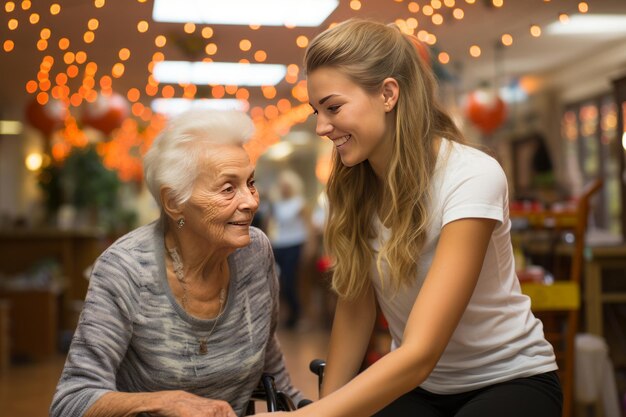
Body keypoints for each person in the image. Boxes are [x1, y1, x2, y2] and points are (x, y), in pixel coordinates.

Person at [254, 18, 561, 417]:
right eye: (317, 111)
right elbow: (356, 310)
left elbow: (420, 352)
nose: (321, 126)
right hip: (422, 386)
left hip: (510, 379)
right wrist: (326, 407)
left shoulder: (472, 175)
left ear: (387, 93)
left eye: (332, 107)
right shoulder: (355, 185)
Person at [50, 109, 301, 417]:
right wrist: (161, 403)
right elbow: (70, 401)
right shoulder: (126, 269)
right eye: (227, 189)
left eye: (250, 183)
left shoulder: (255, 251)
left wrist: (304, 407)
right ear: (174, 202)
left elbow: (267, 354)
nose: (250, 201)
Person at [267, 169, 312, 329]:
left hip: (295, 244)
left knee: (290, 280)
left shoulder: (299, 203)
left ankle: (297, 314)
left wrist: (309, 247)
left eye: (287, 185)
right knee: (278, 282)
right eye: (282, 185)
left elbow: (309, 227)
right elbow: (271, 224)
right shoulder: (277, 204)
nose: (284, 188)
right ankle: (289, 315)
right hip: (279, 245)